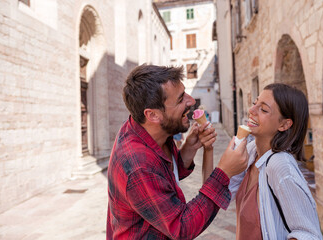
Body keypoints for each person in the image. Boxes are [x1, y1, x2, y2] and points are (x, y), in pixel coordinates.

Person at [106, 64, 248, 239]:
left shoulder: (154, 131)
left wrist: (188, 148)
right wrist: (224, 173)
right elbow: (181, 228)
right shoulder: (137, 164)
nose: (191, 101)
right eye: (180, 99)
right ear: (153, 115)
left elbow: (164, 177)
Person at [229, 83, 322, 240]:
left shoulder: (280, 166)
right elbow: (220, 194)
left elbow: (309, 234)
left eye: (264, 109)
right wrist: (208, 149)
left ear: (284, 124)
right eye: (255, 104)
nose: (251, 111)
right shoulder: (251, 152)